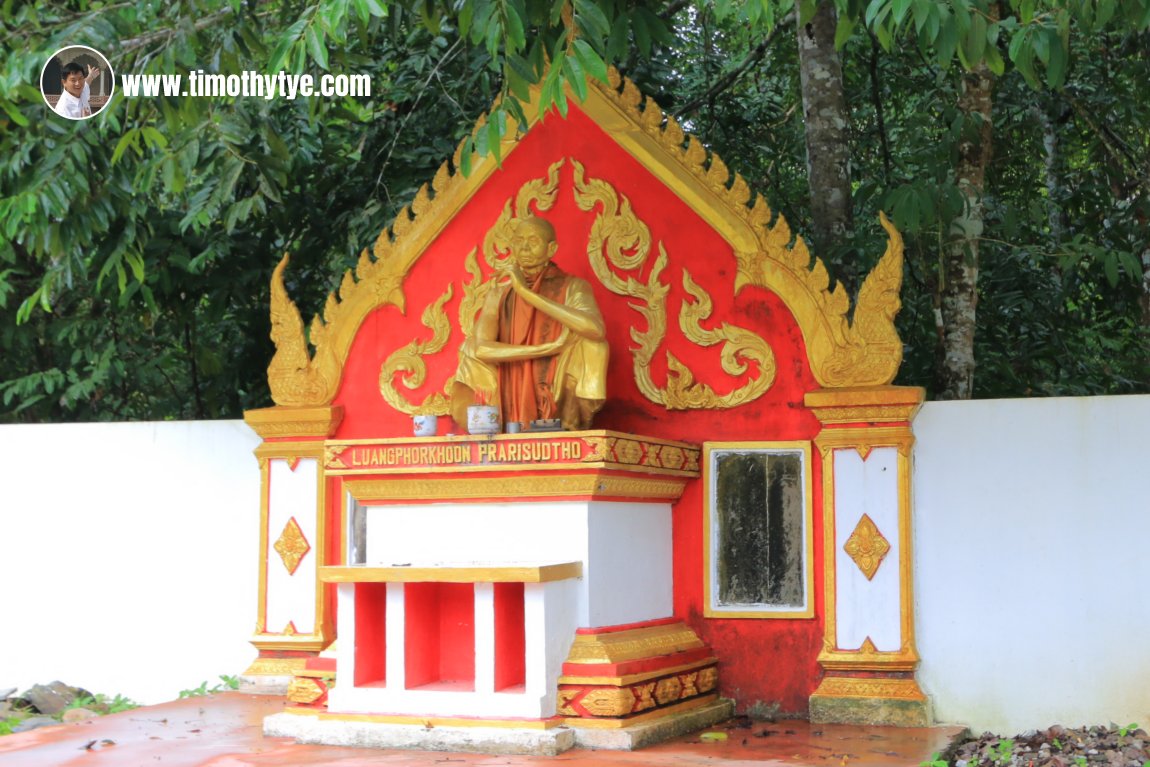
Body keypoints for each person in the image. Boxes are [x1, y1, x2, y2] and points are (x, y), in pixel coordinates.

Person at [452, 216, 608, 431]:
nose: (524, 247)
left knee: (592, 343)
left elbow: (596, 330)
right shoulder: (499, 292)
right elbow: (481, 349)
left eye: (533, 241)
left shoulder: (574, 286)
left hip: (557, 380)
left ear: (551, 248)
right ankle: (489, 425)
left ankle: (569, 423)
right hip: (511, 373)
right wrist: (545, 349)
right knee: (469, 346)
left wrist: (526, 293)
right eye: (518, 240)